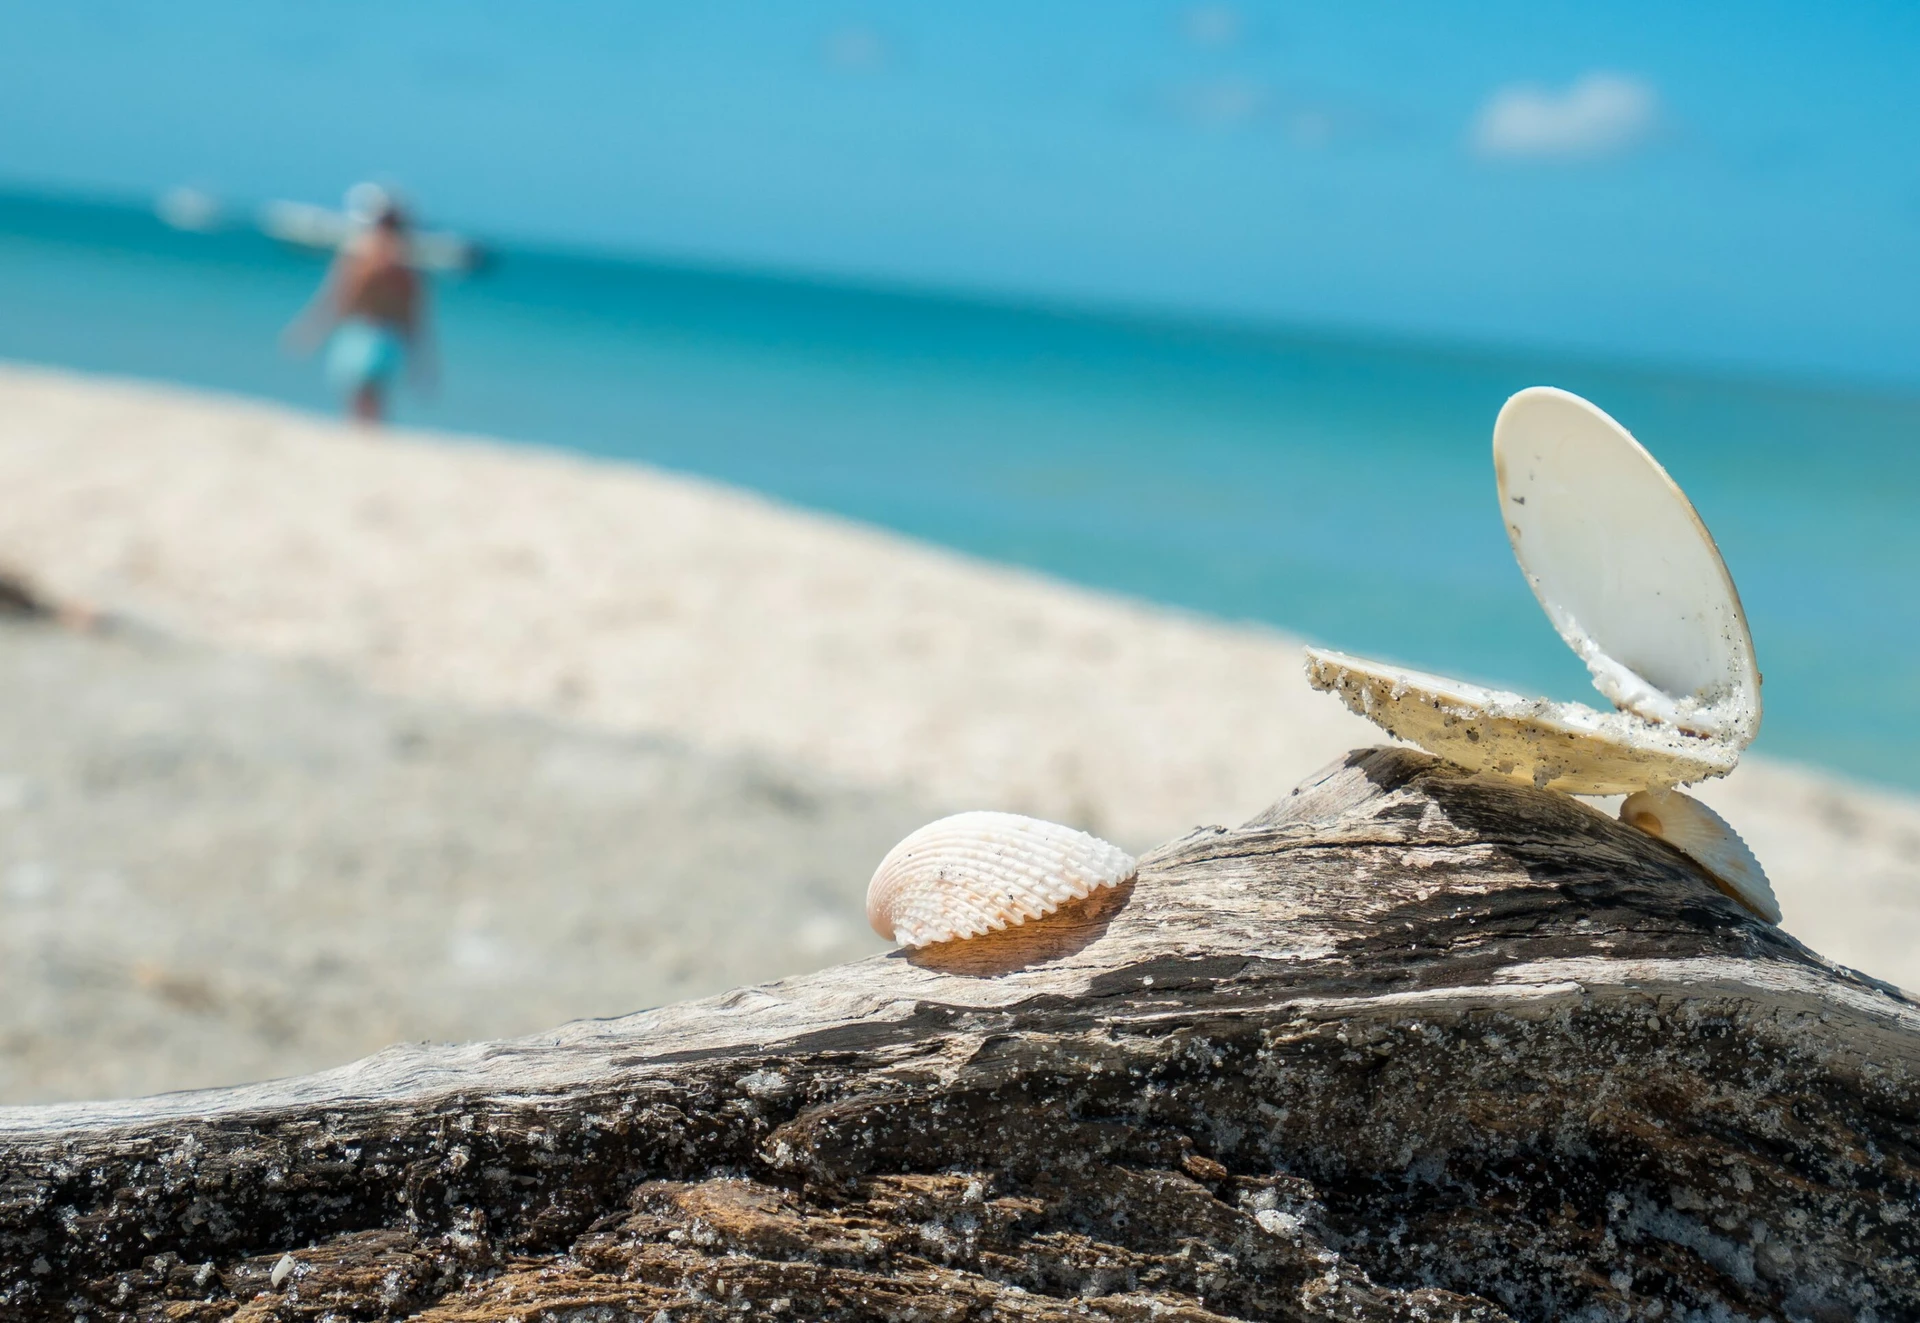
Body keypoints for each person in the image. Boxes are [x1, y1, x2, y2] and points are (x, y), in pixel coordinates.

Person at [285, 185, 435, 424]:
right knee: (372, 402)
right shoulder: (406, 264)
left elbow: (337, 298)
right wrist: (422, 362)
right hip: (387, 337)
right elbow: (414, 316)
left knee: (359, 401)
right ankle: (369, 444)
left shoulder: (361, 256)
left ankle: (363, 444)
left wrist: (310, 331)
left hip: (362, 334)